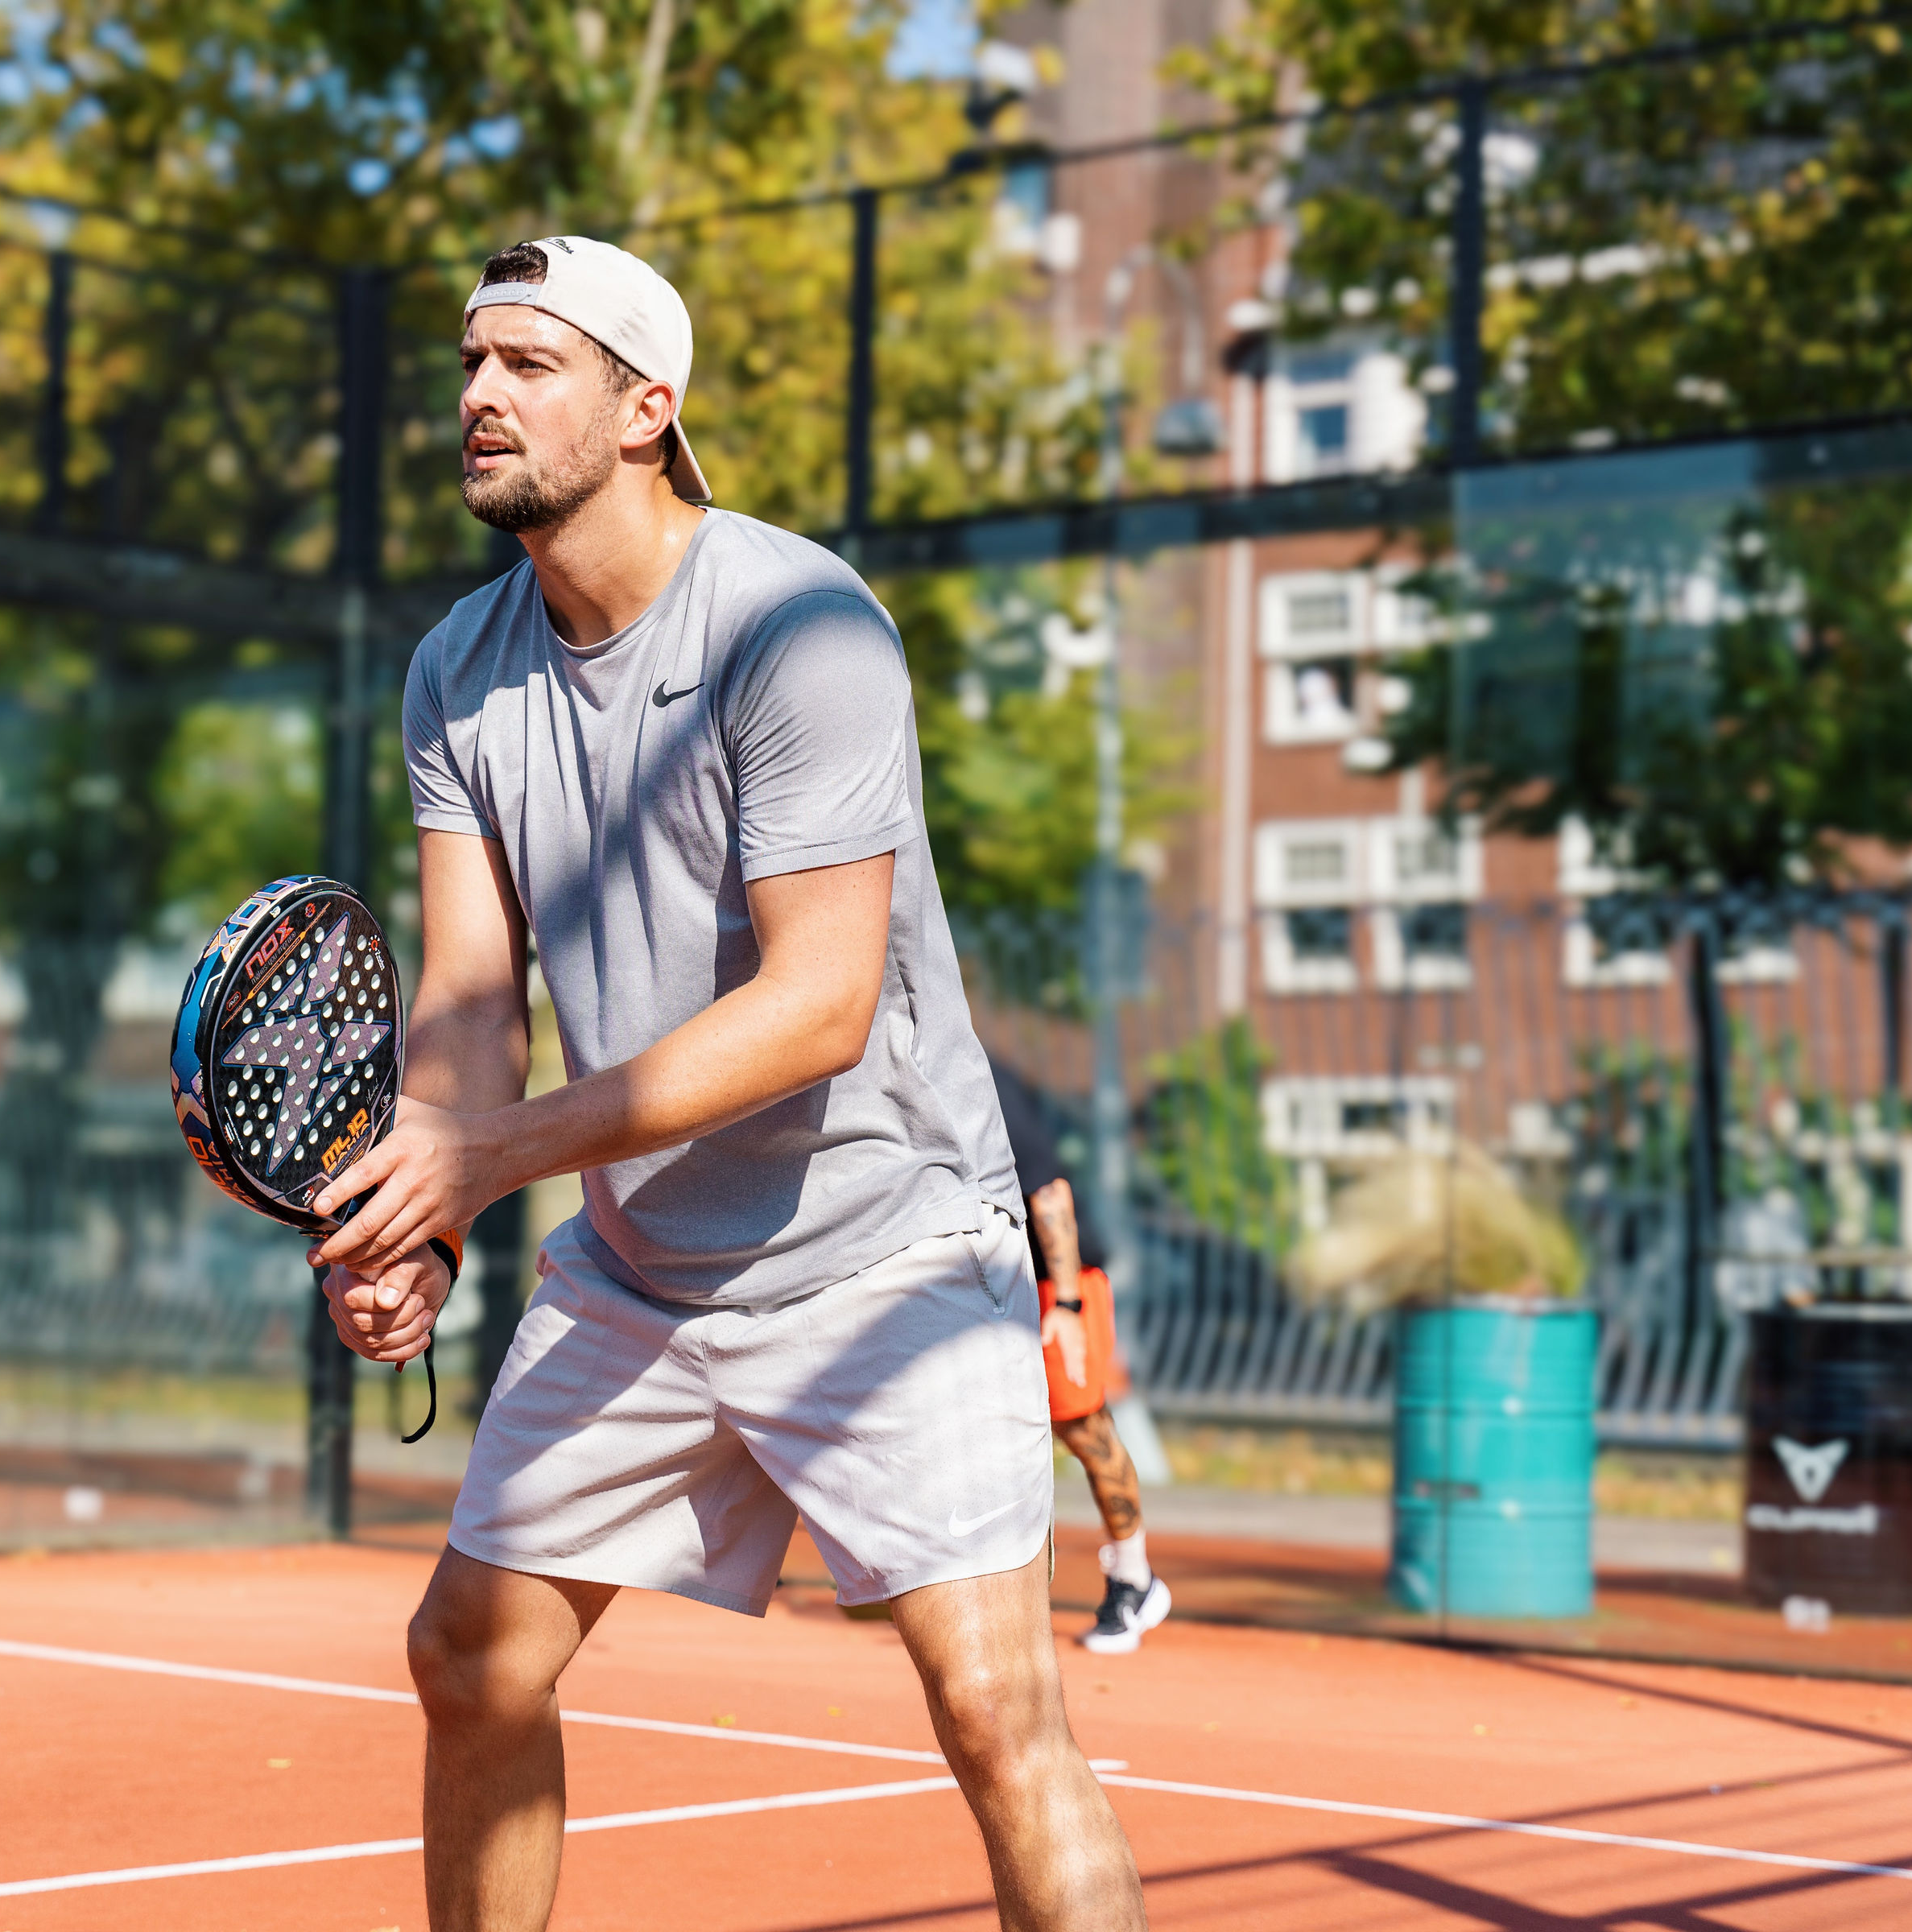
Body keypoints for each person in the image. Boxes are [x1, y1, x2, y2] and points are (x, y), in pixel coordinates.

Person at [306, 236, 1146, 1931]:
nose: (479, 395)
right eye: (471, 363)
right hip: (643, 1274)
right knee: (471, 1661)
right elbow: (475, 999)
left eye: (529, 366)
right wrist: (430, 1223)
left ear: (644, 409)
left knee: (998, 1716)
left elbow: (820, 1005)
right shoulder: (457, 670)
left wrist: (489, 1157)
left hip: (888, 1255)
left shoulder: (802, 625)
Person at [992, 1066, 1171, 1655]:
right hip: (990, 1282)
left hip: (1057, 1283)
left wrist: (1065, 1304)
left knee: (1083, 1427)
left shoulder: (976, 1069)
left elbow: (1049, 1191)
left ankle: (1134, 1579)